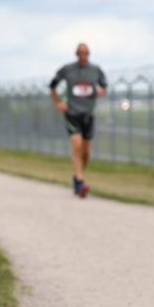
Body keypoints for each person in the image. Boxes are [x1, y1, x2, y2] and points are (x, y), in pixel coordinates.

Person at [49, 43, 107, 198]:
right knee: (77, 145)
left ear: (89, 54)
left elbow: (104, 87)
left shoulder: (95, 70)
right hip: (72, 113)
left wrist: (101, 91)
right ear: (76, 54)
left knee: (86, 152)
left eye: (86, 53)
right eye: (81, 53)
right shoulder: (68, 70)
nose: (83, 56)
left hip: (88, 114)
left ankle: (77, 177)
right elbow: (52, 86)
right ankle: (81, 182)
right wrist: (58, 103)